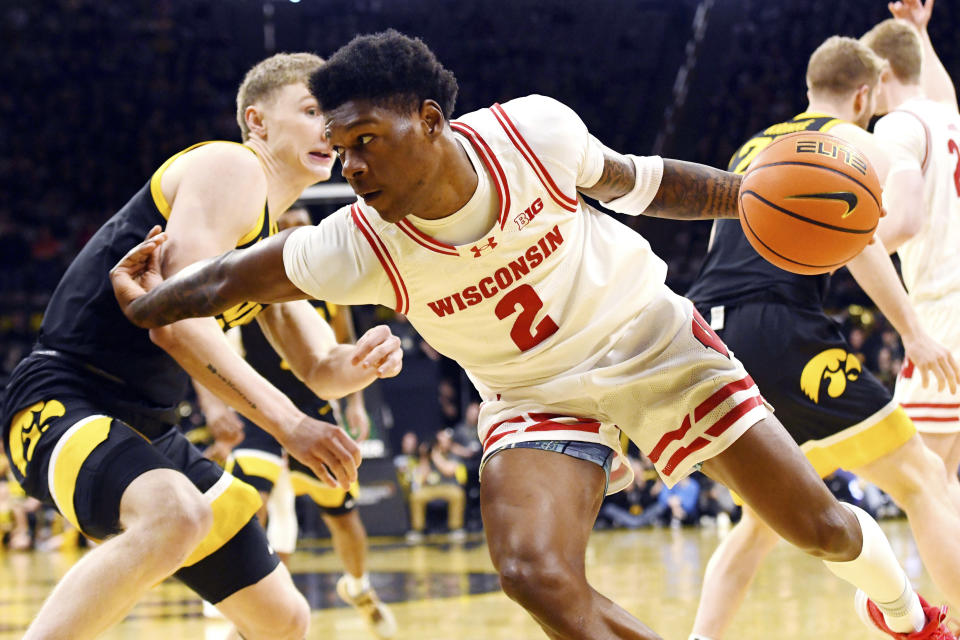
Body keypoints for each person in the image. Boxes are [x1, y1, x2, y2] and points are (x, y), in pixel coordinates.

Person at [110, 30, 953, 640]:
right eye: (340, 149)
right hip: (533, 394)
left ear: (433, 120)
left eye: (366, 142)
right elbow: (229, 277)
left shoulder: (533, 134)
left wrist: (751, 199)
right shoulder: (353, 243)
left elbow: (647, 184)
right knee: (532, 575)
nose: (353, 168)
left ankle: (908, 616)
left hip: (651, 339)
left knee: (822, 530)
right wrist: (148, 303)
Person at [2, 52, 403, 640]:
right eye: (312, 109)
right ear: (257, 121)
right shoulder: (231, 166)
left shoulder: (273, 239)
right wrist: (290, 424)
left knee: (284, 619)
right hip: (66, 394)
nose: (329, 128)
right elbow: (172, 320)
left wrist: (367, 363)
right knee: (175, 515)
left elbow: (320, 367)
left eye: (335, 115)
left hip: (147, 426)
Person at [685, 34, 960, 640]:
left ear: (809, 88)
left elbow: (718, 247)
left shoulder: (749, 150)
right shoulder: (849, 141)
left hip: (706, 331)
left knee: (758, 521)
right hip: (779, 324)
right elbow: (889, 227)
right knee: (923, 478)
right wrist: (912, 331)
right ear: (864, 96)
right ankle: (927, 621)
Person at [216, 205, 397, 639]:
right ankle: (252, 611)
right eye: (287, 228)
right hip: (262, 410)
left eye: (302, 228)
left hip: (314, 409)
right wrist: (216, 406)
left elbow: (344, 347)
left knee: (342, 519)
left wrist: (354, 405)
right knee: (248, 507)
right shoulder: (250, 278)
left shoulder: (327, 289)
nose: (295, 235)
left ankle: (359, 587)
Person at [862, 0, 960, 511]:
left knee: (919, 480)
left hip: (943, 310)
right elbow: (936, 88)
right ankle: (943, 592)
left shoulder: (896, 126)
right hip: (951, 302)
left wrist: (848, 247)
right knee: (939, 478)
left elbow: (903, 222)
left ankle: (929, 594)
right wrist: (916, 28)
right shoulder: (946, 115)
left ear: (882, 73)